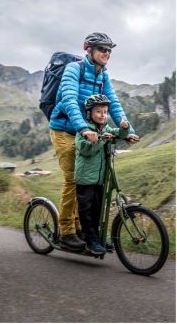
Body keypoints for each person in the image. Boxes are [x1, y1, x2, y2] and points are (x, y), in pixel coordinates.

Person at [48, 32, 139, 250]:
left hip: (90, 131)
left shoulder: (103, 75)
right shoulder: (74, 69)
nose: (107, 54)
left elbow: (114, 105)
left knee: (92, 183)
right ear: (89, 50)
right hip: (65, 130)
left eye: (109, 50)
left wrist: (129, 131)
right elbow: (69, 100)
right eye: (102, 49)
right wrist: (83, 128)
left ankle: (86, 232)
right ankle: (67, 232)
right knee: (74, 178)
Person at [75, 94, 130, 255]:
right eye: (98, 111)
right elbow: (86, 150)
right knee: (86, 210)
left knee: (98, 209)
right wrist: (100, 140)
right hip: (85, 179)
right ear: (89, 113)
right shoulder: (83, 131)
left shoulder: (105, 129)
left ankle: (98, 238)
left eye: (105, 112)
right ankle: (90, 239)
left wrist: (125, 129)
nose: (103, 115)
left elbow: (118, 134)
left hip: (99, 180)